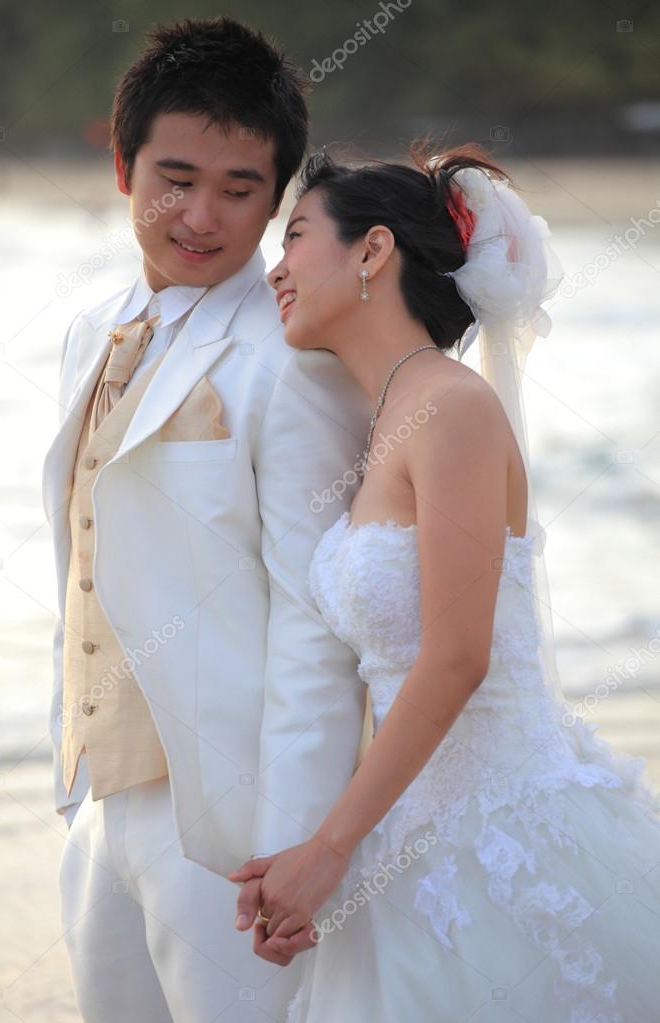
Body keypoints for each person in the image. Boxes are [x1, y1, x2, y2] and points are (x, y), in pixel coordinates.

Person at [229, 143, 660, 1021]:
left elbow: (457, 657)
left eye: (297, 236)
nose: (276, 269)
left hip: (500, 829)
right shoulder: (389, 414)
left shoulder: (452, 407)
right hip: (408, 828)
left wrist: (327, 848)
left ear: (373, 251)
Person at [42, 16, 371, 1022]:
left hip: (227, 820)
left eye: (242, 190)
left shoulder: (293, 361)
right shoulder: (87, 327)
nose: (201, 216)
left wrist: (294, 837)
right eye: (174, 178)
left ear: (277, 196)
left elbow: (318, 621)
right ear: (121, 163)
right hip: (97, 794)